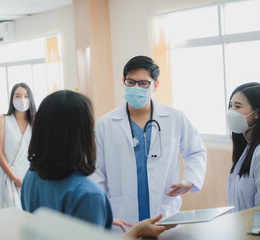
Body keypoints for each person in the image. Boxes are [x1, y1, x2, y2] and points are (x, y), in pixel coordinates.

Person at [21, 90, 176, 238]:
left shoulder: (30, 177)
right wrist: (135, 232)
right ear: (82, 134)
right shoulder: (88, 195)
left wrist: (96, 220)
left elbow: (55, 226)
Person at [89, 56, 207, 232]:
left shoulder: (175, 118)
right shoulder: (106, 124)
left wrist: (190, 181)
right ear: (123, 81)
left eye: (143, 83)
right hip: (122, 216)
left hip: (164, 212)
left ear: (155, 85)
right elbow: (97, 172)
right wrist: (102, 211)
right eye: (131, 82)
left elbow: (196, 151)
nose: (136, 87)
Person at [0, 83, 36, 210]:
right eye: (18, 96)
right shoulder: (2, 120)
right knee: (10, 217)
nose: (22, 99)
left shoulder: (35, 121)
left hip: (29, 176)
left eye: (26, 96)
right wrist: (14, 178)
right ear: (12, 99)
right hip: (9, 175)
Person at [226, 82, 260, 212]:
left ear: (256, 113)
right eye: (231, 106)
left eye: (238, 106)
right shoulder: (246, 148)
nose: (231, 112)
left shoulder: (258, 153)